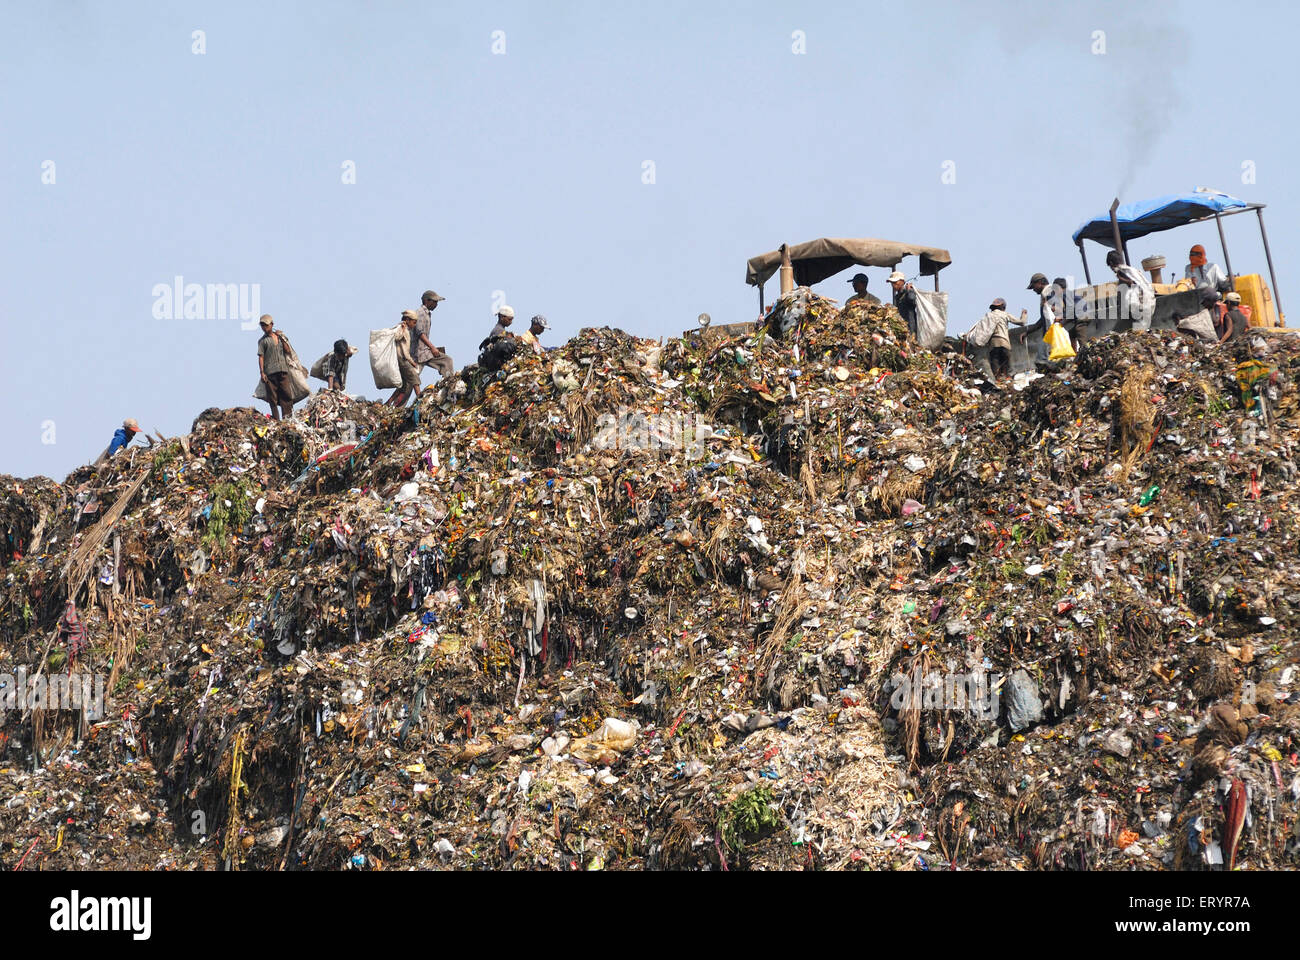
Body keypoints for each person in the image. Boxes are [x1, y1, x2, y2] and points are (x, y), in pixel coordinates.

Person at [257, 315, 295, 420]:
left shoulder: (280, 337)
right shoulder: (262, 341)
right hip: (270, 372)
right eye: (262, 326)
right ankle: (277, 420)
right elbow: (261, 357)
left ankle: (288, 419)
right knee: (272, 398)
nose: (264, 328)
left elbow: (287, 351)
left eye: (266, 325)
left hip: (283, 370)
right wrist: (262, 373)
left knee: (287, 395)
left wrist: (282, 338)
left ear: (272, 325)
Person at [965, 298, 1015, 378]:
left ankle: (998, 381)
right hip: (1005, 343)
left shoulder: (988, 316)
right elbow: (1022, 322)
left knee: (995, 367)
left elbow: (982, 332)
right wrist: (1024, 314)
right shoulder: (1005, 315)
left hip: (994, 345)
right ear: (1003, 307)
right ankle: (1007, 380)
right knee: (1006, 366)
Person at [1106, 251, 1155, 330]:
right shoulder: (1129, 269)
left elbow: (1132, 283)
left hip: (1140, 301)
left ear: (1111, 263)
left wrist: (1120, 278)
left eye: (1110, 266)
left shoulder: (1121, 271)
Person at [414, 290, 455, 380]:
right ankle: (449, 384)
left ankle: (448, 383)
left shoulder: (426, 314)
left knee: (445, 361)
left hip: (424, 352)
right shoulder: (420, 313)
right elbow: (420, 333)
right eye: (434, 302)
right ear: (426, 301)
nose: (436, 305)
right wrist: (432, 347)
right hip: (419, 353)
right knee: (447, 361)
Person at [386, 311, 422, 407]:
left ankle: (389, 403)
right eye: (413, 322)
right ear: (407, 320)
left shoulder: (405, 330)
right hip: (402, 360)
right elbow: (400, 343)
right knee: (415, 379)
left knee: (404, 385)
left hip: (401, 359)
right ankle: (421, 400)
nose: (414, 325)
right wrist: (412, 362)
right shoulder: (402, 329)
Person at [1020, 272, 1054, 369]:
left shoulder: (1048, 291)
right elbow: (1043, 319)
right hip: (1050, 333)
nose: (1033, 290)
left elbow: (1052, 314)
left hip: (1053, 332)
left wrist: (1052, 331)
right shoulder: (1046, 293)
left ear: (1039, 282)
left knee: (1042, 359)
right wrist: (1028, 332)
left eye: (1033, 286)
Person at [887, 271, 918, 338]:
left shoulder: (909, 291)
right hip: (901, 329)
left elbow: (912, 300)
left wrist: (909, 290)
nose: (893, 285)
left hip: (911, 328)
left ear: (902, 282)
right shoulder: (897, 297)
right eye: (892, 283)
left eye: (895, 282)